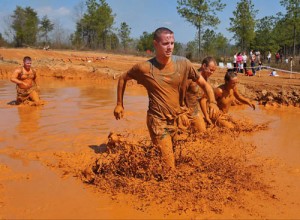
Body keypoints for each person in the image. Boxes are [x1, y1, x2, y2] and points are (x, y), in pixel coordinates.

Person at [113, 27, 219, 170]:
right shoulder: (144, 68)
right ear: (155, 44)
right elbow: (122, 78)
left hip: (175, 120)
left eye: (172, 43)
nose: (170, 47)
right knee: (170, 167)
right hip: (157, 121)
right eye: (165, 44)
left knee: (171, 156)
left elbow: (204, 84)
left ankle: (149, 162)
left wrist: (212, 102)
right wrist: (119, 104)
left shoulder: (184, 64)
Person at [185, 57, 217, 133]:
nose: (212, 72)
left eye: (214, 71)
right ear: (204, 66)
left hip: (195, 111)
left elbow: (202, 99)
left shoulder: (206, 81)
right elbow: (178, 94)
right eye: (210, 70)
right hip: (184, 111)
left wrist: (206, 116)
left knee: (203, 132)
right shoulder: (191, 77)